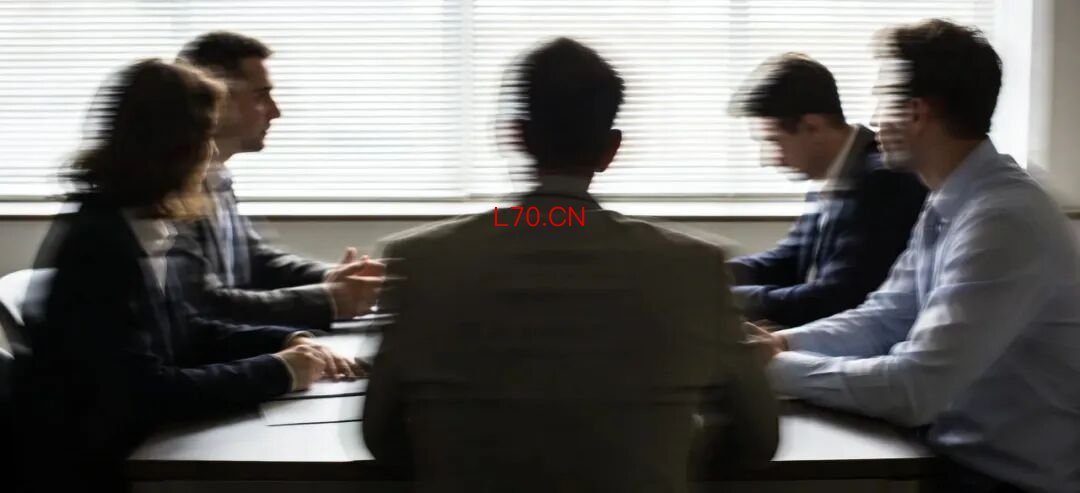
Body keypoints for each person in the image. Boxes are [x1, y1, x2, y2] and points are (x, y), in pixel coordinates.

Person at [362, 38, 778, 493]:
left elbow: (381, 439)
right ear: (611, 149)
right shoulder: (694, 266)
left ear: (516, 136)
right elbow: (758, 441)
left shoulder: (421, 260)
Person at [750, 19, 1080, 493]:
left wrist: (769, 368)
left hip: (1005, 480)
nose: (872, 117)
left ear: (917, 112)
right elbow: (885, 318)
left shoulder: (1004, 219)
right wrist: (784, 344)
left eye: (881, 98)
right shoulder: (951, 200)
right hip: (949, 460)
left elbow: (914, 390)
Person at [13, 59, 362, 492]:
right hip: (97, 466)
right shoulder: (98, 247)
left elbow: (187, 330)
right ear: (173, 148)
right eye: (205, 138)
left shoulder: (143, 221)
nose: (211, 154)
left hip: (142, 444)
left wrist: (284, 341)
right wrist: (279, 371)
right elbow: (144, 391)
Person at [173, 31, 381, 331]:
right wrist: (328, 299)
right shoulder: (166, 187)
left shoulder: (216, 175)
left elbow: (254, 261)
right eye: (261, 96)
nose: (275, 112)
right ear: (216, 99)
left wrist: (333, 278)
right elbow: (204, 303)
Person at [727, 53, 927, 327]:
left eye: (773, 141)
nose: (768, 159)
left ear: (814, 127)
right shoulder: (833, 172)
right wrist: (711, 274)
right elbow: (789, 260)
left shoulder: (883, 181)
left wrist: (726, 298)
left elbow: (838, 298)